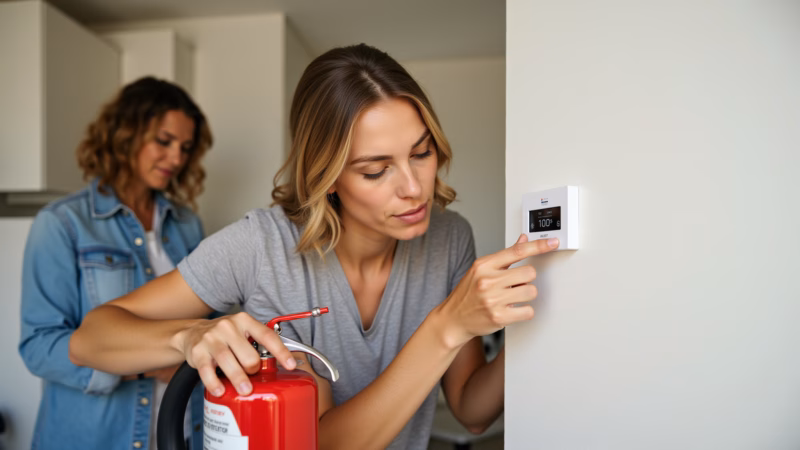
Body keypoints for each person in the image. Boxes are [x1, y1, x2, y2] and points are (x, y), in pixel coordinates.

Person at [69, 45, 558, 449]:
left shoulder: (450, 238)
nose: (414, 188)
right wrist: (189, 335)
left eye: (422, 152)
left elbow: (472, 410)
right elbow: (89, 339)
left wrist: (549, 310)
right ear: (326, 176)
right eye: (375, 170)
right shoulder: (260, 247)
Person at [19, 77, 213, 450]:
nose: (176, 159)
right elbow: (40, 347)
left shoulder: (187, 224)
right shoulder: (63, 223)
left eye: (185, 148)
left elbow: (207, 316)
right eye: (164, 141)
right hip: (95, 436)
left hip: (182, 430)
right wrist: (151, 363)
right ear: (126, 134)